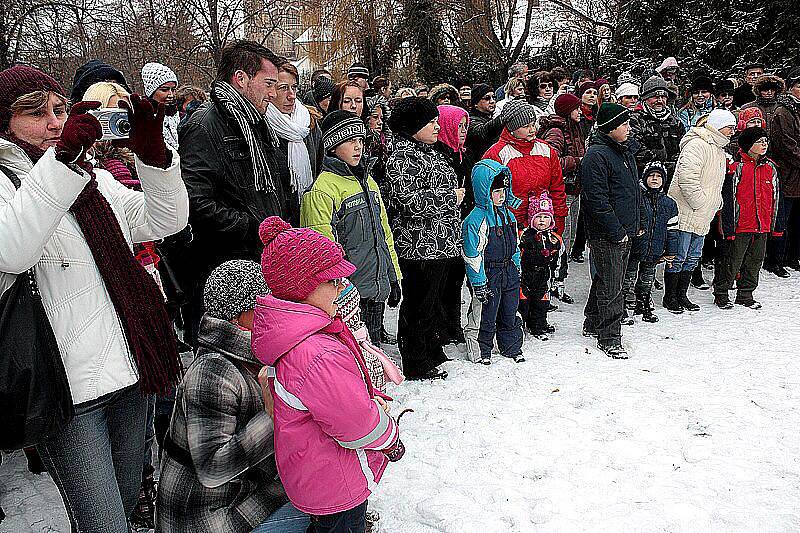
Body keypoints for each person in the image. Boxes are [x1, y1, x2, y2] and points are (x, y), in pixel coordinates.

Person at [0, 64, 187, 532]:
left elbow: (163, 222)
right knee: (104, 525)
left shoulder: (93, 177)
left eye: (60, 110)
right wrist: (60, 163)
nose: (52, 123)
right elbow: (14, 249)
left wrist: (155, 161)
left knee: (121, 514)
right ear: (4, 120)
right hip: (67, 390)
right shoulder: (12, 180)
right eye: (35, 112)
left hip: (128, 372)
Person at [251, 217, 404, 533]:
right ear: (301, 287)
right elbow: (355, 421)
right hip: (335, 482)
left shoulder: (295, 336)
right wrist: (389, 438)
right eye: (332, 280)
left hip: (314, 473)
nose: (342, 286)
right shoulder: (316, 353)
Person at [157, 260, 309, 533]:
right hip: (205, 519)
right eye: (263, 307)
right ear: (238, 317)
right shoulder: (212, 372)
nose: (275, 313)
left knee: (327, 487)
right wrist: (276, 412)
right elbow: (213, 469)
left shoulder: (255, 355)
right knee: (326, 508)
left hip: (240, 496)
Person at [179, 40, 290, 347]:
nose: (273, 93)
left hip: (259, 257)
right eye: (268, 84)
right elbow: (195, 200)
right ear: (241, 79)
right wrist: (250, 224)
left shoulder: (256, 123)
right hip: (225, 268)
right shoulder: (205, 125)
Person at [300, 110, 402, 345]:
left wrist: (392, 275)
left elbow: (384, 232)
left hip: (375, 287)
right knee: (352, 354)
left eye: (360, 140)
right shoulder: (322, 189)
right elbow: (322, 251)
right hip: (347, 294)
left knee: (373, 350)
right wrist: (337, 291)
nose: (358, 147)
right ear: (333, 146)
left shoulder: (368, 180)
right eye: (349, 141)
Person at [385, 97, 463, 380]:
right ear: (412, 125)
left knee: (432, 302)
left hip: (440, 241)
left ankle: (431, 346)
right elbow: (408, 201)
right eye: (430, 122)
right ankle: (415, 359)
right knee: (418, 304)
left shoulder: (428, 151)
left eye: (436, 121)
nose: (437, 126)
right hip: (418, 244)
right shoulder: (400, 157)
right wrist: (449, 198)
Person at [580, 102, 640, 359]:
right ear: (610, 127)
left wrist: (636, 225)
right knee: (613, 286)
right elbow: (596, 200)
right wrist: (617, 231)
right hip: (608, 233)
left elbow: (631, 192)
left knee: (607, 279)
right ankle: (610, 336)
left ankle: (592, 321)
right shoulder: (597, 155)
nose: (629, 128)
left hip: (624, 229)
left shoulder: (622, 151)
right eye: (624, 124)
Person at [664, 108, 736, 313]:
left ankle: (682, 294)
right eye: (729, 127)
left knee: (693, 256)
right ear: (718, 126)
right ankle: (671, 297)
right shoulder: (697, 144)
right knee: (679, 255)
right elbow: (687, 179)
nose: (732, 132)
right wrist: (700, 203)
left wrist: (716, 203)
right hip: (687, 210)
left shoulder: (719, 150)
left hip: (704, 214)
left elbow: (715, 183)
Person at [462, 159, 524, 363]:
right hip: (489, 273)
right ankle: (480, 351)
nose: (502, 195)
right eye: (496, 191)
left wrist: (517, 267)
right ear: (484, 191)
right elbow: (472, 255)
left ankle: (511, 346)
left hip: (508, 272)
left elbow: (514, 245)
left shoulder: (509, 216)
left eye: (504, 190)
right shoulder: (476, 220)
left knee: (509, 311)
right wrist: (478, 282)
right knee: (484, 314)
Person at [713, 127, 779, 310]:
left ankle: (746, 293)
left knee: (755, 260)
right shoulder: (737, 168)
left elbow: (776, 197)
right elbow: (728, 199)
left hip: (762, 224)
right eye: (759, 141)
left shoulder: (770, 168)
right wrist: (728, 226)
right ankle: (721, 292)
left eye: (766, 141)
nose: (764, 144)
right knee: (732, 260)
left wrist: (773, 224)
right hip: (741, 224)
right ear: (749, 145)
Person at [537, 93, 585, 304]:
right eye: (576, 108)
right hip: (562, 192)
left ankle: (558, 282)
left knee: (569, 239)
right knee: (559, 240)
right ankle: (551, 284)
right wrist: (577, 160)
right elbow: (551, 160)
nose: (580, 111)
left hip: (574, 190)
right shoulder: (557, 131)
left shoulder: (573, 127)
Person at [266, 62, 323, 224]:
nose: (291, 95)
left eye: (294, 87)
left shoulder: (308, 123)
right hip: (278, 223)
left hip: (310, 215)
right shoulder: (261, 127)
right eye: (283, 88)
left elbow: (319, 167)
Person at [621, 161, 678, 323]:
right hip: (635, 248)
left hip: (655, 249)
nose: (654, 179)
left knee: (647, 278)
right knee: (628, 277)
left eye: (658, 176)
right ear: (644, 178)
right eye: (651, 176)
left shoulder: (669, 204)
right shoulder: (636, 198)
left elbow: (672, 230)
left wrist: (671, 251)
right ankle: (623, 304)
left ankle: (643, 303)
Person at [519, 192, 562, 340]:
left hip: (543, 276)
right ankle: (521, 324)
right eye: (538, 217)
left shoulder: (554, 239)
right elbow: (518, 256)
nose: (542, 220)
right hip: (526, 275)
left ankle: (538, 326)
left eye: (545, 217)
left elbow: (559, 258)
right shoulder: (525, 236)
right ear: (532, 219)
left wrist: (557, 275)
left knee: (541, 303)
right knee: (523, 302)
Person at [771, 68, 800, 272]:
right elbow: (786, 145)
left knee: (797, 221)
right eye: (799, 86)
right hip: (787, 174)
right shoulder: (783, 111)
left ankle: (793, 257)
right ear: (790, 88)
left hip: (797, 175)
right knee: (782, 219)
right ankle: (776, 260)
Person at [630, 76, 686, 179]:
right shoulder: (635, 119)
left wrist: (675, 164)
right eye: (655, 97)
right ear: (645, 98)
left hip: (674, 175)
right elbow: (635, 147)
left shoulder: (675, 121)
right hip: (646, 176)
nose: (660, 100)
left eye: (663, 97)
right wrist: (659, 165)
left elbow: (684, 145)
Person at [141, 62, 180, 150]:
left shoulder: (178, 114)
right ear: (151, 92)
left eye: (173, 89)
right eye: (164, 90)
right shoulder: (142, 117)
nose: (171, 95)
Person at [465, 83, 504, 163]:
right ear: (476, 103)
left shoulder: (490, 117)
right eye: (487, 98)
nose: (492, 101)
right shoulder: (470, 120)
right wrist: (504, 117)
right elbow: (482, 131)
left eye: (494, 97)